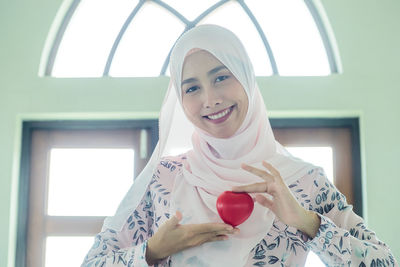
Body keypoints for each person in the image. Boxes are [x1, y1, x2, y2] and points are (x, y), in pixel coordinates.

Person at [81, 25, 397, 267]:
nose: (210, 99)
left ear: (246, 78)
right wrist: (152, 251)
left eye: (221, 78)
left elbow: (384, 261)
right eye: (192, 87)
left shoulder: (305, 181)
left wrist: (307, 222)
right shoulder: (162, 180)